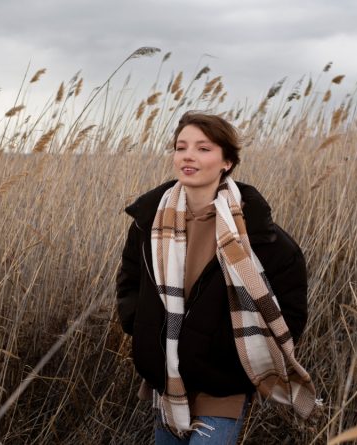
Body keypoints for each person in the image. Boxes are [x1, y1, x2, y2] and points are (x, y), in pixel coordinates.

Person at [116, 111, 317, 444]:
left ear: (227, 161)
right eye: (181, 147)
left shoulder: (256, 232)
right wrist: (143, 328)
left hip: (223, 386)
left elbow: (290, 308)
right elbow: (129, 282)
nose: (188, 156)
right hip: (167, 378)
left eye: (203, 148)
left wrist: (231, 355)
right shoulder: (149, 222)